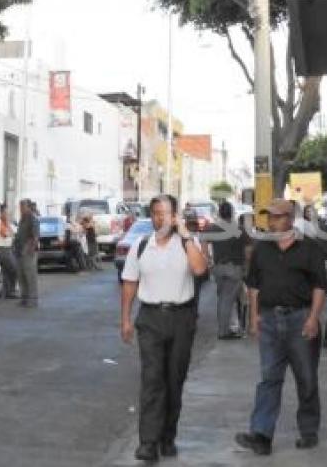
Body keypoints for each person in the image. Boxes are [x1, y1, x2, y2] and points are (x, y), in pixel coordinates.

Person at [236, 199, 327, 456]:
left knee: (306, 377)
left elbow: (320, 286)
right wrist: (254, 317)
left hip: (300, 320)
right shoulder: (262, 249)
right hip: (269, 322)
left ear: (290, 218)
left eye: (276, 217)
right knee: (269, 378)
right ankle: (261, 435)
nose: (271, 221)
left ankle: (308, 431)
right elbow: (254, 285)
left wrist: (313, 318)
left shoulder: (309, 249)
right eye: (269, 217)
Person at [120, 195, 208, 462]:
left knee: (173, 381)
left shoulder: (188, 244)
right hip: (150, 319)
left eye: (166, 213)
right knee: (152, 380)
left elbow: (200, 268)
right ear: (152, 216)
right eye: (156, 213)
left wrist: (185, 236)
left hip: (181, 318)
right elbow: (129, 283)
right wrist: (125, 319)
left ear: (175, 215)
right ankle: (148, 442)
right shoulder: (141, 245)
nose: (161, 218)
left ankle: (167, 436)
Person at [207, 201, 249, 340]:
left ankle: (224, 328)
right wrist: (246, 267)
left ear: (219, 213)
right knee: (228, 300)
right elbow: (248, 251)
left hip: (218, 268)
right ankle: (224, 331)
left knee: (222, 298)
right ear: (232, 213)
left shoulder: (212, 228)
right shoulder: (240, 229)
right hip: (235, 268)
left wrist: (208, 259)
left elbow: (202, 242)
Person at [14, 199, 40, 308]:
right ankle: (24, 297)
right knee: (21, 275)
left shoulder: (32, 218)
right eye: (20, 207)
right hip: (19, 250)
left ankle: (33, 299)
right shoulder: (22, 219)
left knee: (30, 276)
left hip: (28, 250)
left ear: (28, 207)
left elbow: (35, 236)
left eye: (23, 207)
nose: (21, 209)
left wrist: (30, 249)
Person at [0, 204, 18, 298]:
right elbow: (5, 233)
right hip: (2, 249)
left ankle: (8, 292)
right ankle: (10, 291)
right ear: (1, 212)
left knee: (7, 271)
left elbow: (14, 231)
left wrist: (11, 232)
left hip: (6, 249)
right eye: (6, 212)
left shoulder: (5, 222)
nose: (7, 214)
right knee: (14, 269)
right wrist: (11, 233)